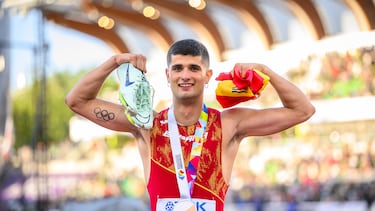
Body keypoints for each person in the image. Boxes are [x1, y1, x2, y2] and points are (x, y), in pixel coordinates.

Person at [65, 39, 315, 211]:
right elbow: (77, 101)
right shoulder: (146, 123)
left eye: (194, 68)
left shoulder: (229, 123)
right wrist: (115, 61)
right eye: (178, 68)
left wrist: (264, 70)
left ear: (207, 76)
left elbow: (303, 110)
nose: (185, 75)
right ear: (167, 75)